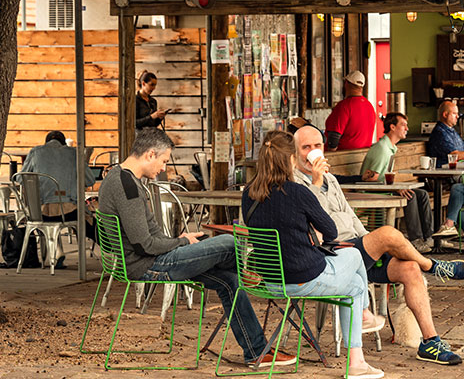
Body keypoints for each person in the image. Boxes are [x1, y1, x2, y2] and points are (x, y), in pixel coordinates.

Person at [99, 128, 287, 368]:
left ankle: (257, 351)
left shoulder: (119, 177)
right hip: (149, 265)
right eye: (164, 161)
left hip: (151, 259)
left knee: (229, 280)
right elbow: (144, 244)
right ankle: (260, 276)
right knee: (230, 242)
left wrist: (182, 241)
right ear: (150, 154)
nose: (163, 168)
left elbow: (150, 237)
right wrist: (183, 242)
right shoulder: (127, 185)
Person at [292, 125, 464, 366]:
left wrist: (372, 245)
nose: (313, 151)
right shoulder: (296, 183)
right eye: (306, 147)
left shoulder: (331, 179)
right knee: (387, 233)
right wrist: (315, 180)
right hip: (332, 256)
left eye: (317, 146)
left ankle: (430, 342)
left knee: (409, 269)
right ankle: (433, 265)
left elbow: (350, 216)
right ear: (295, 153)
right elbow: (311, 220)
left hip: (358, 251)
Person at [241, 130, 383, 378]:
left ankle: (359, 360)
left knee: (354, 285)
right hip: (303, 279)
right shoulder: (297, 191)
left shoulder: (248, 194)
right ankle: (363, 317)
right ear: (290, 160)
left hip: (270, 281)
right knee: (355, 256)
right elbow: (331, 231)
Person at [21, 130, 100, 268]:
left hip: (40, 213)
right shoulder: (73, 153)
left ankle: (58, 252)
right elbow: (89, 180)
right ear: (63, 143)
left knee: (52, 217)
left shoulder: (35, 152)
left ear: (46, 143)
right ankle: (116, 249)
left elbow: (21, 178)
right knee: (86, 220)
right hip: (68, 212)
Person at [362, 113, 433, 250]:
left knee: (422, 194)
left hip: (383, 189)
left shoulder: (390, 147)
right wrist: (395, 189)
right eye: (403, 125)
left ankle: (428, 238)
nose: (407, 128)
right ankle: (416, 240)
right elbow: (372, 179)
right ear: (392, 127)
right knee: (410, 195)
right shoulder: (382, 149)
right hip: (371, 190)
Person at [324, 71, 376, 151]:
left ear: (347, 84)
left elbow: (334, 138)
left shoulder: (344, 106)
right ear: (361, 87)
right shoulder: (370, 106)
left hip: (343, 158)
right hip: (363, 156)